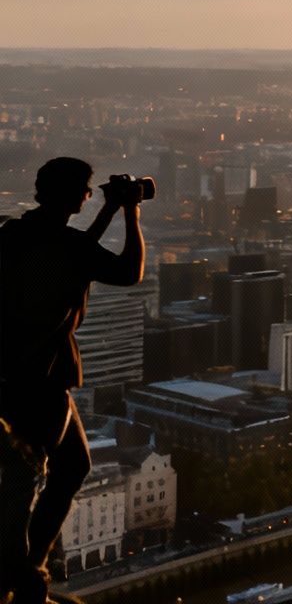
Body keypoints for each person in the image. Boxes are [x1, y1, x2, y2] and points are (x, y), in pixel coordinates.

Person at [0, 158, 147, 604]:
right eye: (85, 189)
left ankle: (27, 563)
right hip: (43, 378)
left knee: (67, 465)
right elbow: (129, 271)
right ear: (70, 195)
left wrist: (106, 211)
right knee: (29, 475)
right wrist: (130, 212)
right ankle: (17, 569)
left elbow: (70, 256)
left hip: (9, 372)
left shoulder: (13, 233)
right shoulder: (67, 247)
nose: (89, 195)